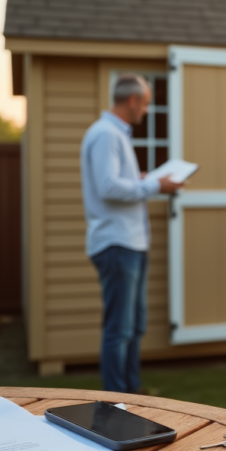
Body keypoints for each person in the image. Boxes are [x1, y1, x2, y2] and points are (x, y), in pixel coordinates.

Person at [80, 74, 185, 393]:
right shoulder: (105, 135)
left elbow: (116, 180)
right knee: (119, 329)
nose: (148, 110)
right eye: (147, 103)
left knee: (134, 325)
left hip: (131, 244)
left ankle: (133, 396)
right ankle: (116, 401)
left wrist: (138, 178)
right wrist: (155, 185)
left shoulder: (116, 134)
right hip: (116, 244)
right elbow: (108, 186)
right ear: (133, 101)